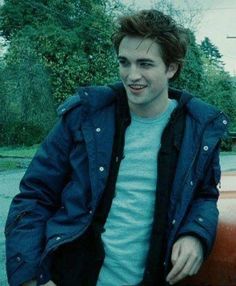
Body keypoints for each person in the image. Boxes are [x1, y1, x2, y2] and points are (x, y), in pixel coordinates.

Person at [5, 9, 227, 286]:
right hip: (71, 275)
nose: (132, 75)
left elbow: (205, 196)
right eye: (124, 62)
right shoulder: (83, 116)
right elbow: (34, 197)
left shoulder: (199, 129)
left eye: (145, 64)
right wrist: (29, 278)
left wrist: (195, 233)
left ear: (171, 68)